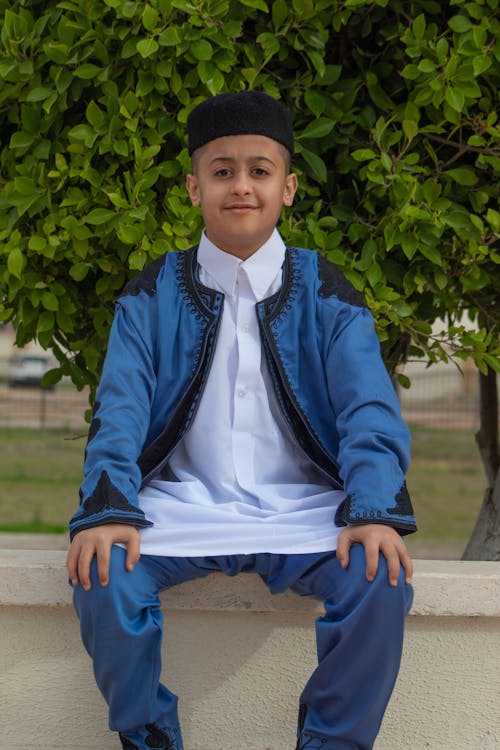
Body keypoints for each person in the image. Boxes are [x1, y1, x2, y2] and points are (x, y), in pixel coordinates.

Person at [67, 90, 417, 750]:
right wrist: (109, 508)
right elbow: (120, 405)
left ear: (287, 188)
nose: (241, 186)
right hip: (180, 508)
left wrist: (372, 508)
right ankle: (148, 737)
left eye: (259, 170)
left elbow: (369, 407)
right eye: (222, 170)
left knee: (380, 575)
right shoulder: (152, 290)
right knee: (102, 571)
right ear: (193, 187)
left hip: (306, 509)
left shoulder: (326, 288)